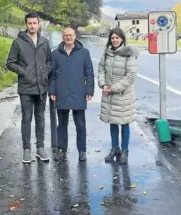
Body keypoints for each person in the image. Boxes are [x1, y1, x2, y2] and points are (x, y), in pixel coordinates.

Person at [6, 12, 52, 164]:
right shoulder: (18, 42)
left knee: (40, 118)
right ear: (26, 24)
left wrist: (45, 72)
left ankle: (40, 148)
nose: (32, 26)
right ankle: (27, 150)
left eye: (34, 23)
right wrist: (23, 72)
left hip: (41, 88)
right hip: (26, 87)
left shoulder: (44, 42)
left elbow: (49, 61)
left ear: (38, 24)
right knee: (26, 118)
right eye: (29, 23)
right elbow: (10, 63)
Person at [49, 27, 94, 162]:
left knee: (80, 124)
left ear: (75, 36)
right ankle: (62, 149)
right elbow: (52, 75)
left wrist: (89, 90)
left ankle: (82, 151)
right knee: (62, 124)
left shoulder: (84, 53)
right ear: (62, 37)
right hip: (61, 93)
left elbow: (89, 73)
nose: (68, 37)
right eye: (66, 35)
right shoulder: (55, 54)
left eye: (71, 35)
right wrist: (52, 91)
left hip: (78, 92)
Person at [98, 27, 139, 164]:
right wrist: (103, 85)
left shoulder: (129, 54)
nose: (114, 40)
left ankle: (125, 150)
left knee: (124, 123)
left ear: (122, 39)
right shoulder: (106, 53)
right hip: (109, 93)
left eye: (117, 37)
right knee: (113, 121)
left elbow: (130, 77)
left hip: (123, 95)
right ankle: (115, 148)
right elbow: (101, 69)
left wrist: (113, 88)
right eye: (112, 38)